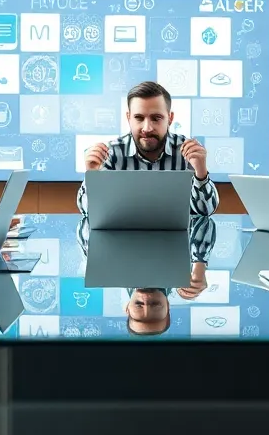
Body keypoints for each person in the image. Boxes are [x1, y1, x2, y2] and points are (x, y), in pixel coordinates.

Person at [77, 81, 218, 216]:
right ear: (128, 118)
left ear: (170, 118)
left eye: (156, 118)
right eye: (139, 118)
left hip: (176, 239)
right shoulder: (110, 154)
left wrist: (201, 172)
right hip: (122, 238)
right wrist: (92, 175)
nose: (147, 128)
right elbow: (88, 212)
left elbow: (205, 211)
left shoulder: (187, 152)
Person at [77, 215, 218, 335]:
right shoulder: (189, 274)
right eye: (155, 304)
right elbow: (204, 219)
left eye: (139, 304)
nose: (146, 297)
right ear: (168, 306)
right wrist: (199, 263)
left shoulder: (99, 268)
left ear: (127, 308)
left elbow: (87, 218)